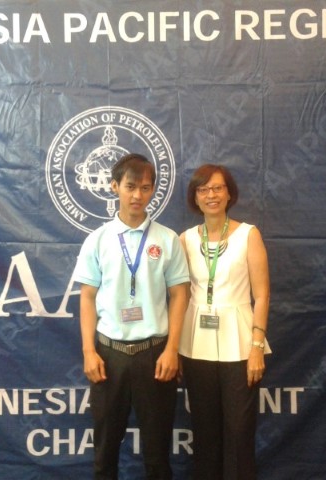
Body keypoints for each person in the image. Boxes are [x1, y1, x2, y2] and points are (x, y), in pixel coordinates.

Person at [73, 153, 190, 480]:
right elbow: (87, 297)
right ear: (114, 187)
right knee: (105, 451)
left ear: (152, 190)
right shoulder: (98, 240)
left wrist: (172, 350)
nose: (138, 195)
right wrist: (89, 351)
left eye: (145, 188)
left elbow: (180, 295)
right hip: (109, 355)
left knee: (157, 454)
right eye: (130, 186)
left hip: (155, 354)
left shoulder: (167, 239)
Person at [179, 164, 271, 480]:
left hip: (240, 345)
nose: (211, 195)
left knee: (239, 432)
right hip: (195, 346)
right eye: (203, 189)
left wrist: (256, 346)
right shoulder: (186, 239)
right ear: (195, 197)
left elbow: (262, 295)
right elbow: (180, 296)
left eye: (218, 188)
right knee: (204, 432)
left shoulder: (249, 235)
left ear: (229, 193)